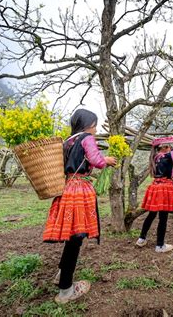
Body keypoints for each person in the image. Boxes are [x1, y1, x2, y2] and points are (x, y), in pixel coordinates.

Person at [43, 109, 117, 304]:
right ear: (88, 124)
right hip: (79, 190)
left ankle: (61, 274)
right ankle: (66, 290)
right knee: (76, 238)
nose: (95, 128)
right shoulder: (86, 138)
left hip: (67, 187)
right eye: (95, 124)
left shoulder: (68, 141)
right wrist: (106, 160)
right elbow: (96, 161)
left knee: (72, 236)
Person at [136, 134, 173, 253]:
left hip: (156, 187)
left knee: (151, 215)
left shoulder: (157, 158)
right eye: (169, 147)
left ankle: (141, 239)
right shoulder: (166, 157)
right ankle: (160, 245)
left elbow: (169, 171)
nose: (171, 149)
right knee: (163, 218)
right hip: (164, 189)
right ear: (163, 147)